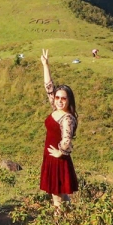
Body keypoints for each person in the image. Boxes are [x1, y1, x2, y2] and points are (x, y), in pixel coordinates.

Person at [39, 49, 78, 212]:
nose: (59, 100)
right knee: (60, 194)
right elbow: (49, 87)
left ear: (69, 100)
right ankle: (72, 218)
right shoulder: (55, 109)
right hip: (51, 156)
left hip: (57, 159)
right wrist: (45, 65)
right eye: (57, 98)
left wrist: (60, 152)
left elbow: (67, 138)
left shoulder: (67, 117)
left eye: (63, 98)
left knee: (57, 196)